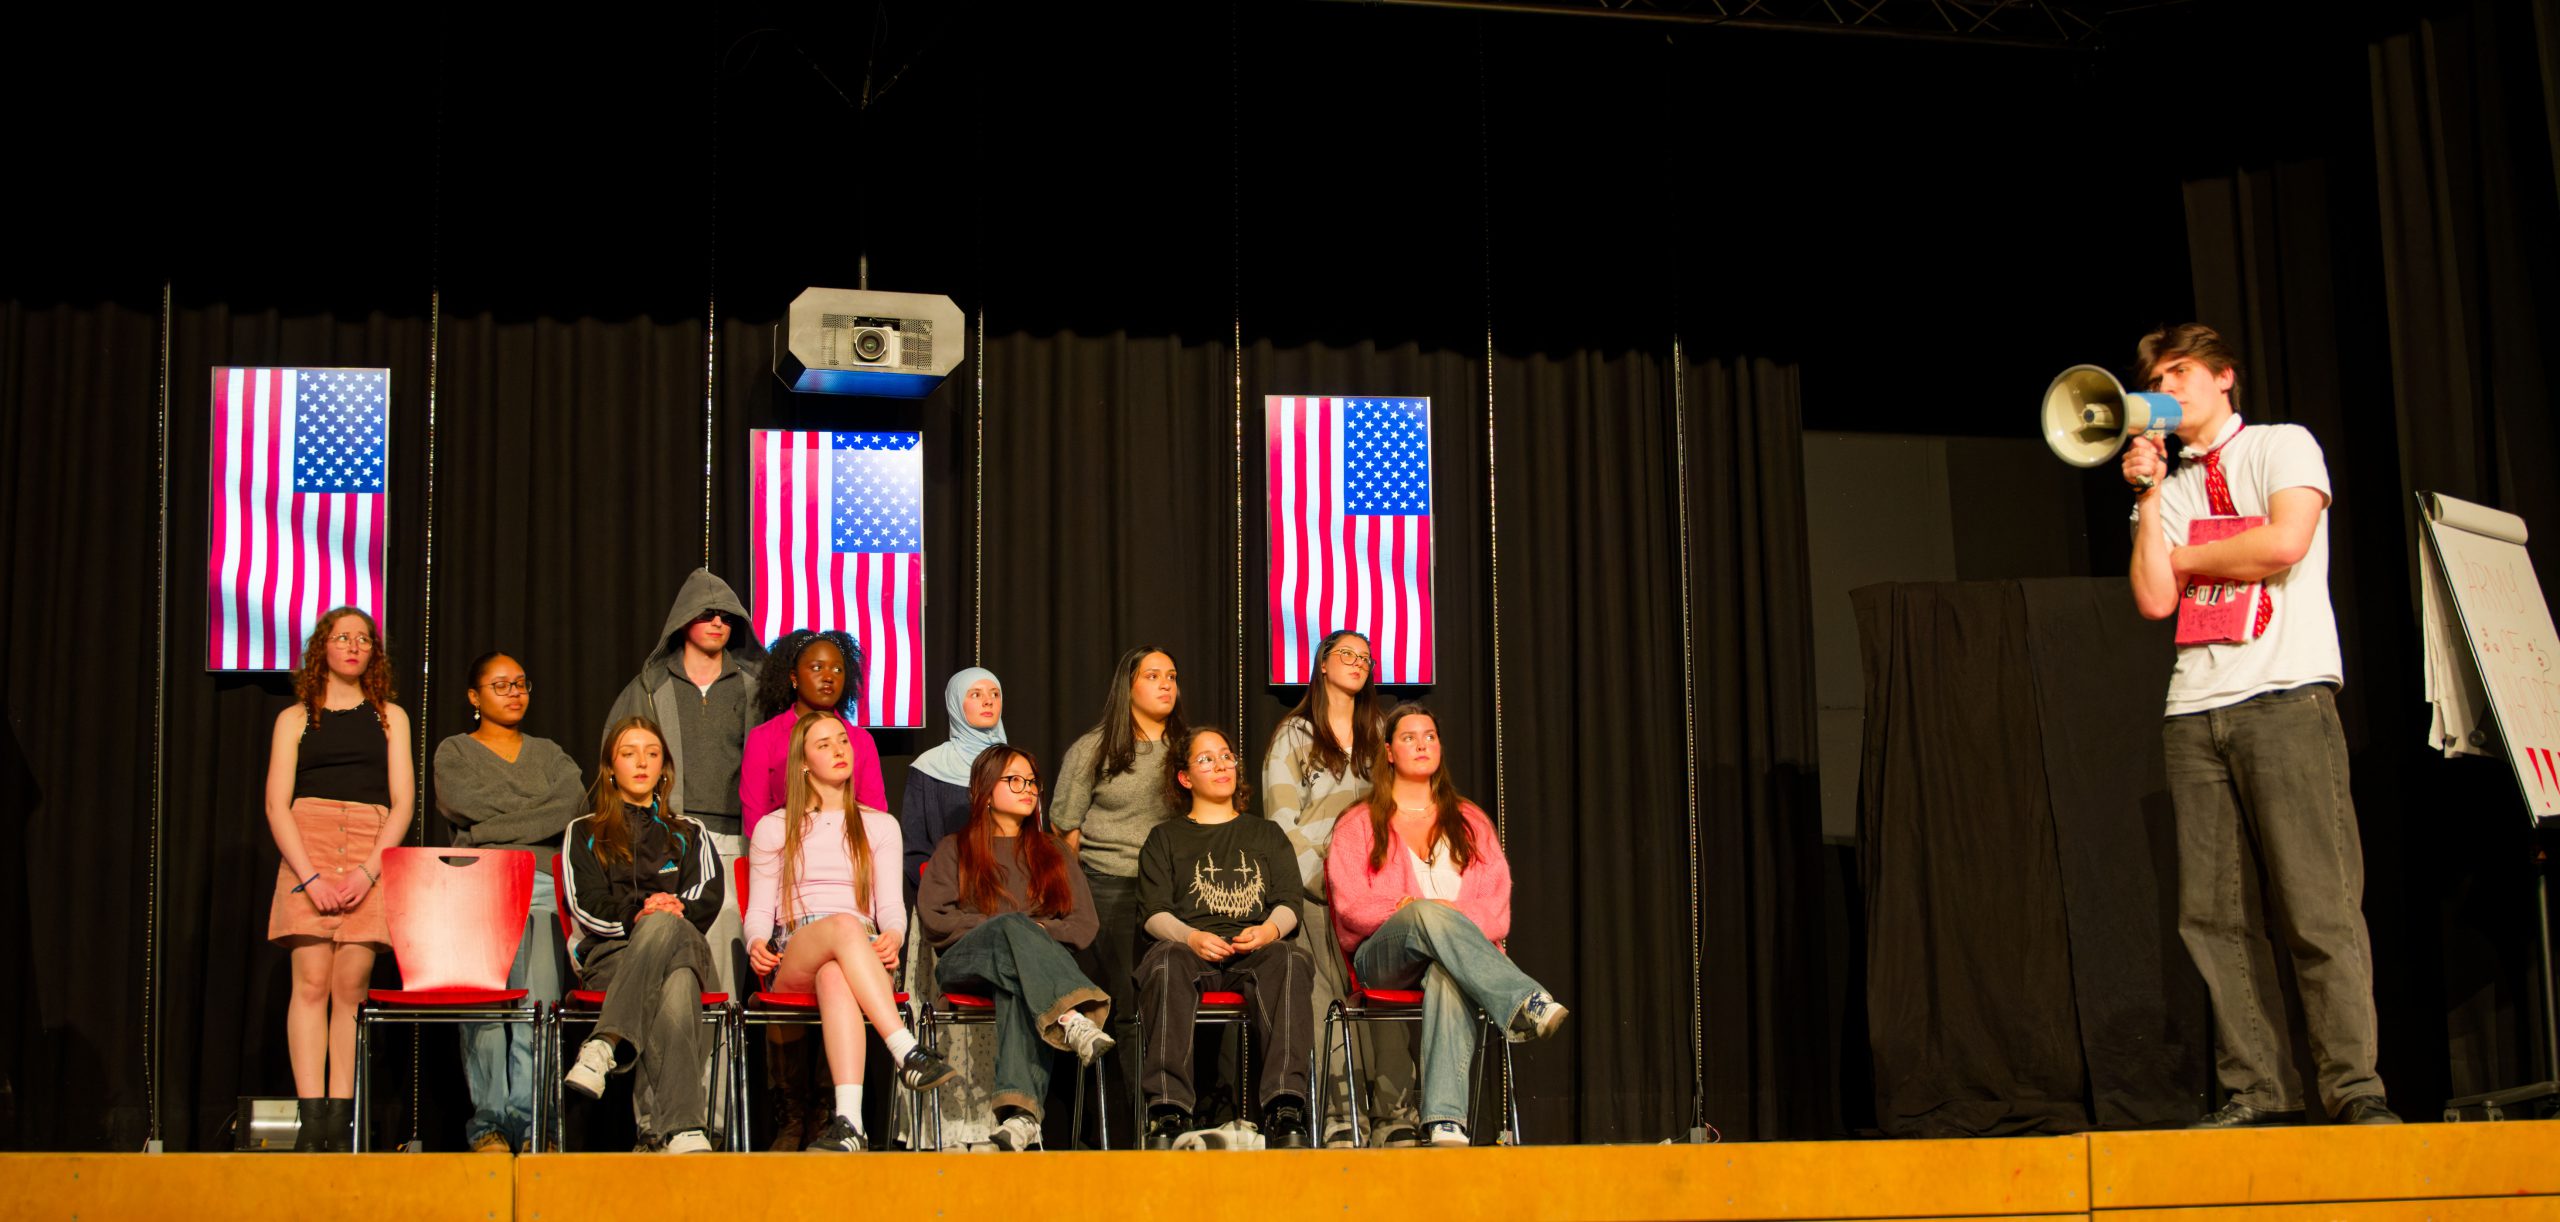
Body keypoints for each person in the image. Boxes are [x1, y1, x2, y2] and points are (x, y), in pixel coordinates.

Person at [2121, 322, 2397, 1127]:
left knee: (2318, 904)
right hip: (2194, 711)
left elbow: (2284, 543)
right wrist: (2147, 496)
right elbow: (2154, 599)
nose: (2167, 390)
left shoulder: (2282, 445)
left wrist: (2187, 555)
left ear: (2224, 377)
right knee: (2214, 918)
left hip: (2285, 696)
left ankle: (2354, 1089)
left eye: (2181, 373)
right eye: (2156, 381)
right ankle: (2258, 1092)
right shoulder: (2170, 488)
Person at [1325, 704, 1567, 1148]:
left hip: (1458, 961)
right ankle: (1522, 998)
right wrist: (1407, 907)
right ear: (1389, 752)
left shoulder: (1470, 821)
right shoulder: (1358, 822)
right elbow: (1350, 905)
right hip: (1385, 957)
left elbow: (1497, 911)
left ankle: (1444, 1122)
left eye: (1430, 736)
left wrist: (1439, 910)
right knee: (1423, 913)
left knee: (1447, 973)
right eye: (1409, 737)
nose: (1422, 744)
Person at [744, 711, 958, 1153]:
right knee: (842, 926)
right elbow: (761, 908)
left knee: (835, 975)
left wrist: (894, 935)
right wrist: (755, 941)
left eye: (842, 740)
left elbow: (890, 907)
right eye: (823, 744)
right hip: (796, 949)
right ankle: (905, 1049)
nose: (839, 749)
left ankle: (849, 1124)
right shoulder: (774, 826)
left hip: (860, 951)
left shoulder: (879, 825)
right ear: (803, 762)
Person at [263, 606, 414, 1152]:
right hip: (310, 845)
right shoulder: (295, 718)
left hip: (371, 848)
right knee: (310, 983)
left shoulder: (390, 717)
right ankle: (313, 1125)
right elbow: (276, 805)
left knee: (351, 986)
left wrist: (369, 872)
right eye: (343, 637)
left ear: (375, 653)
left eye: (364, 639)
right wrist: (310, 879)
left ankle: (343, 1123)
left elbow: (402, 803)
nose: (353, 646)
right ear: (322, 647)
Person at [918, 745, 1115, 1153]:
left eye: (1032, 782)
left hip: (1021, 976)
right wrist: (1010, 928)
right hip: (965, 964)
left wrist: (1031, 933)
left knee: (1016, 984)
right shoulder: (955, 848)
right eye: (1015, 780)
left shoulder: (1055, 852)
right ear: (986, 791)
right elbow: (936, 920)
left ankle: (1020, 1119)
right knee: (1012, 927)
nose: (1028, 789)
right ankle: (1071, 1015)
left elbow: (1084, 925)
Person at [1262, 628, 1416, 1146]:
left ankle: (1395, 1113)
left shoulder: (1382, 733)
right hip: (1316, 889)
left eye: (1365, 658)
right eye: (1345, 653)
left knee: (1384, 998)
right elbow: (1281, 824)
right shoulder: (1294, 734)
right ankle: (1339, 1112)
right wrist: (1326, 881)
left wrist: (1378, 882)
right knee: (1324, 1000)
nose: (1357, 662)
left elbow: (1404, 810)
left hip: (1377, 888)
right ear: (1323, 664)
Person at [433, 651, 585, 1154]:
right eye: (501, 685)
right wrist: (532, 818)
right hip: (476, 887)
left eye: (520, 683)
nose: (515, 692)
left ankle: (533, 1125)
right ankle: (489, 1126)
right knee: (482, 1010)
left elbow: (571, 806)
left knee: (537, 1007)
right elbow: (462, 802)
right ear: (474, 697)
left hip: (541, 885)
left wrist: (486, 831)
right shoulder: (455, 751)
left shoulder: (549, 754)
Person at [738, 627, 885, 1147]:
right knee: (810, 953)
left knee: (837, 966)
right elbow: (757, 818)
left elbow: (869, 828)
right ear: (792, 677)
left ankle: (830, 1112)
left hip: (848, 905)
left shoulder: (860, 741)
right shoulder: (766, 739)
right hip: (788, 894)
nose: (828, 677)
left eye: (838, 668)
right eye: (816, 667)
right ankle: (792, 1114)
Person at [1136, 727, 1317, 1149]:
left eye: (1226, 756)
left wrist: (1269, 930)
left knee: (1291, 959)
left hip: (1253, 951)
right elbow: (1153, 913)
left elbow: (1290, 902)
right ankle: (1167, 1110)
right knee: (1165, 961)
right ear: (1185, 778)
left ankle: (1285, 1106)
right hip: (1190, 950)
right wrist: (1191, 938)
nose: (1221, 766)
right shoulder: (1165, 838)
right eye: (1206, 759)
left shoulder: (1266, 834)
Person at [560, 717, 725, 1154]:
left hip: (684, 942)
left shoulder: (690, 831)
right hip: (612, 955)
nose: (642, 762)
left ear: (664, 768)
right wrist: (641, 916)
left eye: (652, 754)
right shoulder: (585, 830)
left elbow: (706, 895)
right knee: (678, 979)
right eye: (629, 753)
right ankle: (681, 1130)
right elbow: (585, 903)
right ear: (610, 768)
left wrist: (669, 912)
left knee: (669, 929)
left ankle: (605, 1043)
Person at [601, 568, 764, 999]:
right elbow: (614, 756)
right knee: (668, 952)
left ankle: (717, 1045)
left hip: (736, 840)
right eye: (707, 614)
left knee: (725, 957)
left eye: (726, 617)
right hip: (666, 840)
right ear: (683, 620)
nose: (717, 623)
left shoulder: (754, 687)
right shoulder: (649, 688)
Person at [1049, 645, 1187, 1144]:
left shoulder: (1187, 749)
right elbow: (1065, 828)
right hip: (1110, 888)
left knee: (1172, 1006)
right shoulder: (1095, 748)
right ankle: (1121, 1132)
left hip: (1174, 894)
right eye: (1153, 675)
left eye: (1172, 675)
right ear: (1128, 686)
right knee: (1121, 1013)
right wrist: (1077, 899)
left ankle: (1171, 1118)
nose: (1166, 684)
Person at [904, 667, 1006, 906]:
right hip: (950, 895)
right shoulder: (929, 766)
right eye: (976, 694)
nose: (988, 701)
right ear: (956, 703)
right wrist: (945, 888)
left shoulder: (1013, 765)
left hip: (1008, 890)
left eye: (995, 694)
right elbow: (914, 846)